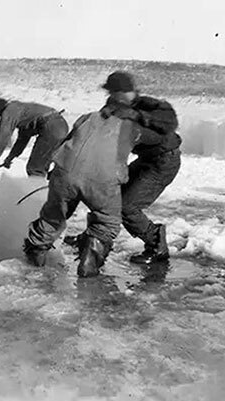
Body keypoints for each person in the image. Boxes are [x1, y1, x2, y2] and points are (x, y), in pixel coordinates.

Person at [23, 72, 159, 278]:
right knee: (107, 222)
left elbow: (67, 143)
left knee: (53, 216)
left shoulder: (87, 117)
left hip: (65, 172)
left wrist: (55, 172)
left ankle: (35, 259)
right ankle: (89, 263)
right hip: (102, 179)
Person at [64, 72, 182, 265]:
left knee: (128, 207)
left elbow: (169, 122)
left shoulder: (147, 104)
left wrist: (137, 115)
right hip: (145, 159)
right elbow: (97, 131)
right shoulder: (113, 106)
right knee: (107, 197)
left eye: (119, 92)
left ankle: (156, 245)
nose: (115, 97)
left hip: (163, 162)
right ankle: (92, 238)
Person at [0, 98, 69, 177]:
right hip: (61, 124)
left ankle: (36, 192)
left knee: (35, 168)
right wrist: (10, 158)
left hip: (51, 127)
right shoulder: (23, 111)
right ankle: (46, 189)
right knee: (43, 165)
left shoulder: (9, 111)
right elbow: (22, 140)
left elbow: (2, 138)